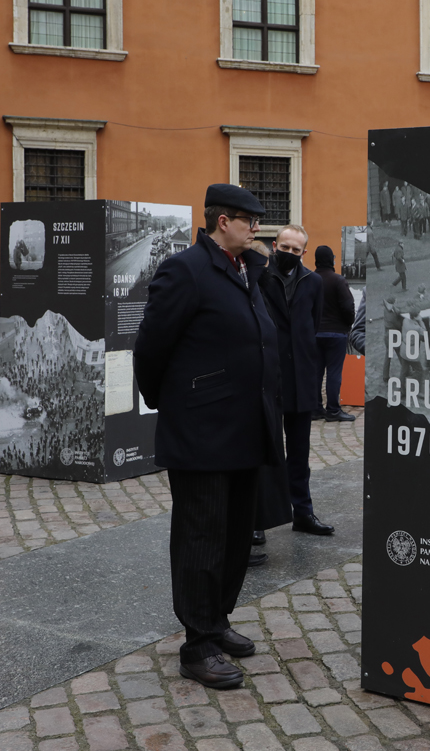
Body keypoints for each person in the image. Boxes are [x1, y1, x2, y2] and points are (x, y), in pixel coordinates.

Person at [133, 183, 280, 689]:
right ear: (223, 222)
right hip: (202, 430)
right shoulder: (186, 269)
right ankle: (197, 645)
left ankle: (217, 622)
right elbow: (151, 347)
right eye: (249, 220)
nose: (256, 227)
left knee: (237, 535)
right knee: (201, 537)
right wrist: (172, 403)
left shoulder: (246, 271)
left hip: (244, 427)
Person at [258, 225, 335, 538]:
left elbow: (312, 325)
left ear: (305, 251)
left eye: (295, 250)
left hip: (301, 379)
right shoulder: (260, 278)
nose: (289, 254)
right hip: (268, 378)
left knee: (300, 452)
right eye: (285, 247)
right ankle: (258, 520)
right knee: (265, 452)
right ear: (275, 245)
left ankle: (302, 512)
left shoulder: (313, 281)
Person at [313, 246, 356, 422]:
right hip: (336, 333)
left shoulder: (310, 279)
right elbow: (348, 307)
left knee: (315, 372)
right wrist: (347, 324)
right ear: (331, 259)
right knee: (334, 373)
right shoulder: (338, 280)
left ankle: (315, 409)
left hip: (315, 333)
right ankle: (333, 410)